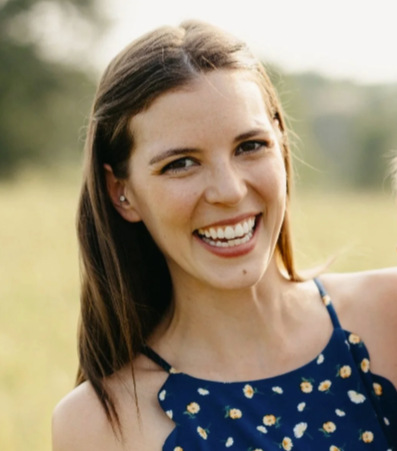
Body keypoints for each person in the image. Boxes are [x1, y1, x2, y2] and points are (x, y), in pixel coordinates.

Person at [52, 20, 397, 451]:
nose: (230, 190)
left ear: (281, 143)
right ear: (121, 193)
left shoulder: (391, 313)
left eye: (250, 146)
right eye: (180, 163)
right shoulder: (100, 424)